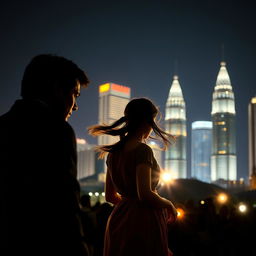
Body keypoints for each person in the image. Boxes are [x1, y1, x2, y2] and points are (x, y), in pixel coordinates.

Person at [0, 54, 90, 255]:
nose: (75, 106)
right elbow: (64, 203)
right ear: (57, 89)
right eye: (75, 94)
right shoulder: (57, 130)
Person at [88, 98, 177, 256]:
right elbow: (144, 193)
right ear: (147, 121)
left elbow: (109, 196)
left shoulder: (113, 153)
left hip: (118, 219)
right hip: (145, 220)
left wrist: (128, 206)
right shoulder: (143, 151)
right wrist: (168, 203)